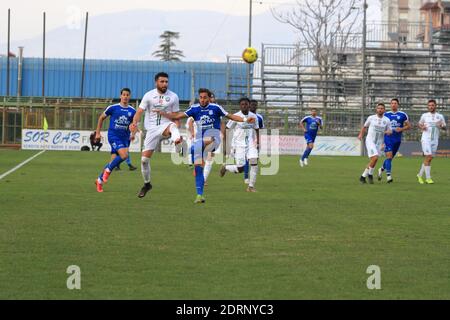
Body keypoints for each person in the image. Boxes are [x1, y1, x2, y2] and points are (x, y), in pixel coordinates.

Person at [156, 89, 254, 204]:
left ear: (209, 98)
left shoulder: (215, 108)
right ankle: (199, 195)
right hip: (199, 142)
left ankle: (186, 149)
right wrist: (164, 114)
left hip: (213, 140)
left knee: (203, 142)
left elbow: (231, 116)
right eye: (201, 97)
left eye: (205, 97)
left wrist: (245, 119)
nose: (202, 99)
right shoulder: (195, 109)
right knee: (198, 169)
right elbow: (179, 115)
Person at [130, 72, 183, 198]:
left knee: (173, 127)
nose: (165, 84)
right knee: (144, 161)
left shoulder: (174, 96)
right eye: (162, 81)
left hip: (166, 126)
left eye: (166, 82)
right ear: (156, 82)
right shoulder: (148, 95)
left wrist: (177, 123)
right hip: (152, 130)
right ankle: (147, 184)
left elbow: (176, 115)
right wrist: (134, 124)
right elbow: (139, 112)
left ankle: (177, 145)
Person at [94, 88, 136, 192]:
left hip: (125, 138)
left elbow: (134, 124)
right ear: (121, 96)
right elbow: (101, 118)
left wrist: (133, 133)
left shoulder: (132, 111)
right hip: (113, 136)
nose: (125, 96)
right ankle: (107, 172)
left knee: (113, 161)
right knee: (124, 156)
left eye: (127, 95)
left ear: (129, 96)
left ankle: (99, 180)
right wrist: (98, 133)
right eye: (124, 94)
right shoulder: (113, 108)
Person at [220, 98, 260, 192]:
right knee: (240, 169)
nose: (244, 106)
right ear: (240, 106)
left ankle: (251, 186)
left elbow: (257, 129)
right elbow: (226, 129)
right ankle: (226, 167)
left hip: (250, 143)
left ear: (249, 105)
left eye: (246, 104)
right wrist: (226, 145)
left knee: (254, 162)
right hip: (239, 145)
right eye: (242, 104)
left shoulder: (254, 116)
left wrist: (257, 141)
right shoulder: (236, 116)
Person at [377, 98, 411, 183]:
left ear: (398, 104)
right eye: (392, 103)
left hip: (397, 139)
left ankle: (381, 169)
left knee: (390, 158)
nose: (393, 105)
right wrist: (384, 135)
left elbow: (409, 126)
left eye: (395, 103)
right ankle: (389, 176)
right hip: (388, 138)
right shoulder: (386, 114)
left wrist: (402, 128)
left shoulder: (403, 114)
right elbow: (381, 127)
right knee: (389, 156)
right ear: (390, 104)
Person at [358, 103, 392, 184]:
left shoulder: (387, 120)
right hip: (370, 141)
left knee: (374, 160)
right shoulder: (371, 118)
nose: (380, 109)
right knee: (375, 158)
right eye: (378, 108)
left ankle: (364, 176)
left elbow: (390, 131)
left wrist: (387, 132)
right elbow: (365, 126)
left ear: (384, 110)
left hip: (379, 143)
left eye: (382, 108)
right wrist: (361, 134)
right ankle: (368, 175)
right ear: (376, 109)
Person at [417, 99, 447, 184]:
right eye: (429, 105)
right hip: (426, 139)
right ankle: (428, 178)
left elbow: (445, 127)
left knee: (429, 159)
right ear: (427, 106)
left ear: (435, 106)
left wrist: (441, 126)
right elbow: (419, 124)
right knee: (429, 157)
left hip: (435, 140)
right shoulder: (424, 115)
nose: (431, 107)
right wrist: (422, 127)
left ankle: (419, 175)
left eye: (432, 105)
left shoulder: (440, 116)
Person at [202, 91, 225, 186]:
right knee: (202, 157)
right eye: (209, 97)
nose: (211, 99)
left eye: (212, 97)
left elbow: (222, 122)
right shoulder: (200, 107)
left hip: (213, 135)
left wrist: (222, 133)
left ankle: (203, 179)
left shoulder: (217, 108)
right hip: (202, 134)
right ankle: (201, 175)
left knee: (210, 157)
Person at [243, 99, 264, 184]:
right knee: (247, 159)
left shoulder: (259, 117)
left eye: (255, 105)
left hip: (256, 140)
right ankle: (246, 177)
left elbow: (261, 129)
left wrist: (259, 141)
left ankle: (250, 179)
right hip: (246, 140)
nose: (253, 106)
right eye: (252, 105)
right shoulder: (245, 116)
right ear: (249, 105)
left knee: (254, 160)